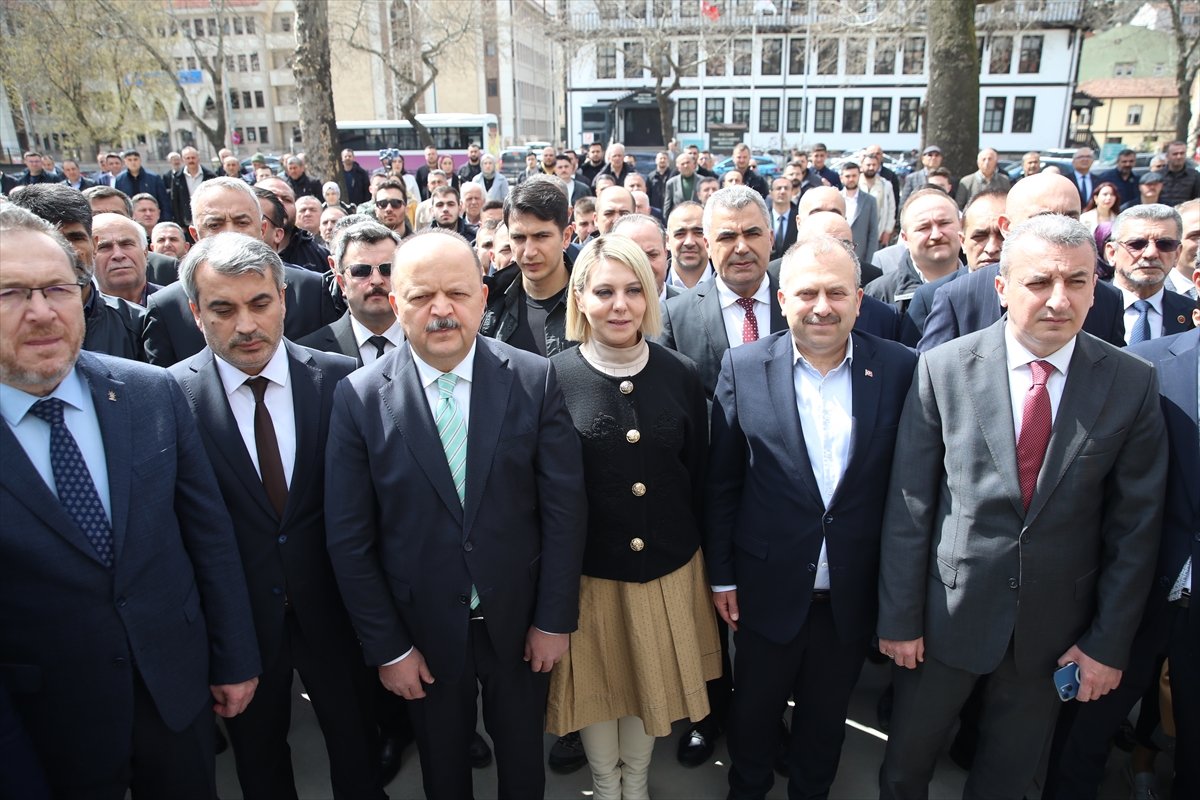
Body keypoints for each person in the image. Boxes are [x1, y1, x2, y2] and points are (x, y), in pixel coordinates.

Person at [877, 214, 1168, 800]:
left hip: (1055, 630)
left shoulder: (1131, 382)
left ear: (1096, 286)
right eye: (1040, 282)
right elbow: (910, 504)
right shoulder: (943, 367)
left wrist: (1107, 643)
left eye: (1078, 282)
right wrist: (900, 619)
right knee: (907, 766)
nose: (1059, 300)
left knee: (1008, 778)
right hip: (945, 618)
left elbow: (1135, 529)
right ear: (1003, 287)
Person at [0, 204, 260, 797]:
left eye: (57, 289)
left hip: (175, 692)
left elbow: (207, 536)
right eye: (11, 293)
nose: (41, 312)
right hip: (42, 724)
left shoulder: (148, 391)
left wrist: (234, 656)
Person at [324, 228, 588, 800]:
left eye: (458, 294)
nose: (440, 310)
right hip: (420, 634)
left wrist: (553, 619)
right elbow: (350, 539)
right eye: (420, 297)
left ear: (483, 298)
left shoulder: (533, 378)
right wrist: (389, 647)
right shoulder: (359, 397)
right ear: (396, 305)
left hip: (520, 627)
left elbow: (565, 510)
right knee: (443, 771)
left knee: (523, 766)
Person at [168, 233, 383, 799]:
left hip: (336, 611)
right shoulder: (169, 398)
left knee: (359, 750)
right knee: (260, 764)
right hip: (237, 623)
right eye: (222, 308)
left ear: (283, 299)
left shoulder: (342, 380)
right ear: (195, 312)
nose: (246, 325)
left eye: (260, 303)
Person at [707, 234, 916, 799]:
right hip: (764, 588)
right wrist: (723, 574)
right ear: (781, 299)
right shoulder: (744, 365)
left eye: (836, 293)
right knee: (752, 718)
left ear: (859, 298)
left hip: (849, 594)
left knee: (825, 726)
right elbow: (724, 482)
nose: (821, 306)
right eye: (806, 293)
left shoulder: (900, 368)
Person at [546, 234, 720, 800]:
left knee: (649, 684)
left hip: (666, 569)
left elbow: (698, 475)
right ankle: (605, 784)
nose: (619, 305)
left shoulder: (681, 373)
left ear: (648, 297)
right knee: (601, 690)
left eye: (632, 291)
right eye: (603, 292)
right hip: (589, 575)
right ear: (580, 298)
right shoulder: (550, 378)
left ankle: (637, 784)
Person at [918, 173, 1126, 353]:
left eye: (1070, 218)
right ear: (1006, 227)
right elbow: (934, 383)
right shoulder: (958, 298)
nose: (1059, 228)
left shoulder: (1107, 300)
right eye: (1043, 219)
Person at [142, 177, 338, 366]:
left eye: (242, 222)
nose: (230, 233)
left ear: (262, 229)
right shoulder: (166, 307)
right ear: (195, 235)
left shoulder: (311, 291)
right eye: (214, 225)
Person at [9, 184, 147, 362]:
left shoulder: (137, 324)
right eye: (53, 240)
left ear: (94, 244)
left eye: (75, 238)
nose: (68, 250)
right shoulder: (7, 324)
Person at [298, 220, 404, 366]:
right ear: (341, 283)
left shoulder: (432, 341)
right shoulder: (307, 355)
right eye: (361, 271)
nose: (376, 280)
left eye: (388, 269)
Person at [1105, 204, 1195, 343]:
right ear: (1111, 253)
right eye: (1136, 244)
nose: (1151, 253)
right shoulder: (1088, 307)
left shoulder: (1192, 313)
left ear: (1177, 254)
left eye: (1165, 244)